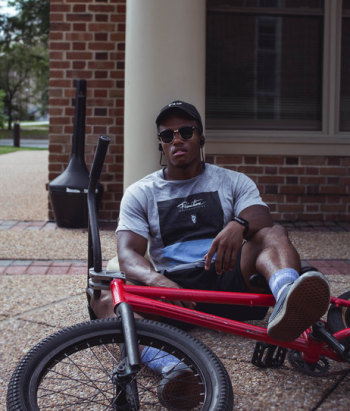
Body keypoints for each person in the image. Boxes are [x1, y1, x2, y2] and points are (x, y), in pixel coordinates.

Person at [92, 100, 330, 407]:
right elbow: (127, 254)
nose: (177, 139)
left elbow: (262, 218)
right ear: (161, 145)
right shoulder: (142, 192)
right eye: (168, 136)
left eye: (186, 131)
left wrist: (239, 225)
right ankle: (173, 369)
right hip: (176, 293)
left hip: (227, 277)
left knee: (272, 235)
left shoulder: (231, 180)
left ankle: (288, 299)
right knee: (104, 298)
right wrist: (156, 280)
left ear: (201, 138)